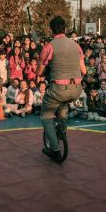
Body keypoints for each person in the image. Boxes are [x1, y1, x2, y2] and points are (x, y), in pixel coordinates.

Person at [37, 16, 86, 161]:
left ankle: (55, 149)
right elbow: (84, 71)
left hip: (58, 89)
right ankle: (62, 132)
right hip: (77, 89)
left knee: (46, 116)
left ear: (50, 29)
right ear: (65, 28)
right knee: (64, 106)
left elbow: (39, 72)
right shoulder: (76, 46)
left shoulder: (49, 46)